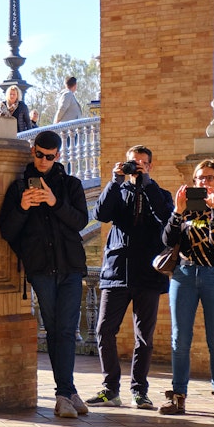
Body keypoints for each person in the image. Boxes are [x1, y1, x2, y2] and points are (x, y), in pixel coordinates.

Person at [0, 131, 90, 418]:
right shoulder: (18, 189)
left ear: (58, 156)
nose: (43, 160)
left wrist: (54, 201)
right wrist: (24, 207)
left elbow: (80, 222)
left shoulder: (71, 185)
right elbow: (7, 231)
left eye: (49, 156)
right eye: (39, 154)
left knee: (66, 330)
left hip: (71, 268)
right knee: (55, 330)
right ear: (32, 151)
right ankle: (66, 393)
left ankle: (66, 392)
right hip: (41, 270)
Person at [88, 145, 172, 410]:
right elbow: (100, 214)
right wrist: (115, 181)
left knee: (144, 336)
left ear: (150, 166)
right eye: (133, 163)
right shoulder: (118, 189)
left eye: (143, 164)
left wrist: (146, 184)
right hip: (116, 271)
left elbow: (166, 216)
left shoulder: (160, 193)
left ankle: (139, 390)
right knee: (104, 330)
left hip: (148, 273)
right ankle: (110, 389)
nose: (138, 167)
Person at [158, 160, 214, 419]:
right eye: (200, 178)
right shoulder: (184, 210)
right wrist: (177, 212)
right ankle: (178, 397)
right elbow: (168, 241)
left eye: (210, 178)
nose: (205, 182)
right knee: (180, 339)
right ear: (193, 182)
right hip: (184, 274)